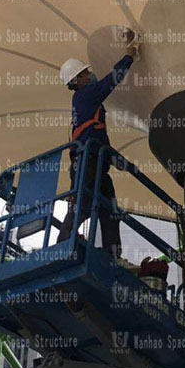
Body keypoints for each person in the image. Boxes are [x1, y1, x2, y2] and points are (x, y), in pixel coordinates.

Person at [56, 39, 137, 261]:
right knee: (83, 204)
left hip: (96, 162)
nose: (89, 74)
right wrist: (129, 56)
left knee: (110, 211)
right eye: (85, 73)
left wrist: (115, 159)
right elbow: (111, 81)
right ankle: (63, 246)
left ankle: (112, 255)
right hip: (87, 161)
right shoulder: (85, 95)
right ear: (77, 80)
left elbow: (97, 136)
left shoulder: (85, 103)